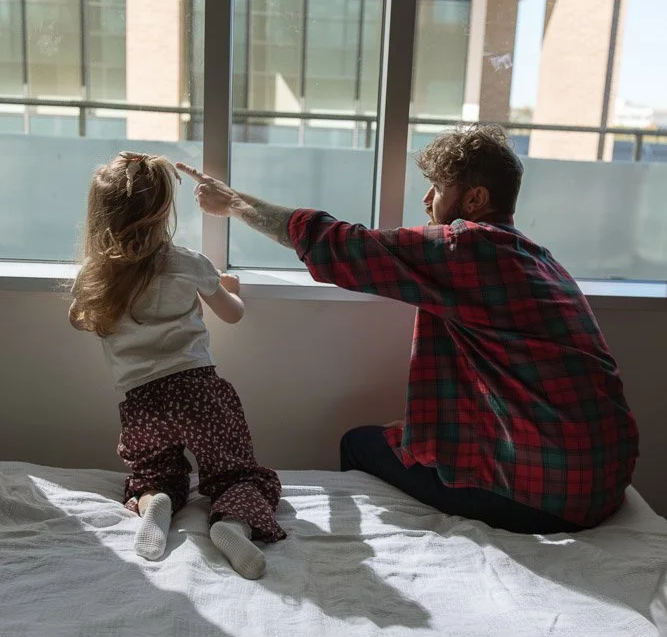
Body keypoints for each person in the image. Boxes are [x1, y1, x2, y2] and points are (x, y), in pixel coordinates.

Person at [176, 123, 639, 534]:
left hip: (545, 497)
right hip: (603, 482)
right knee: (400, 438)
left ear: (475, 199)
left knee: (358, 444)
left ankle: (395, 544)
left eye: (436, 186)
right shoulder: (537, 257)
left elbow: (339, 244)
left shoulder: (468, 247)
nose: (426, 199)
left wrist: (234, 203)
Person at [69, 151, 283, 576]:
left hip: (141, 402)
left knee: (154, 472)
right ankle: (233, 525)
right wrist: (226, 287)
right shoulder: (187, 263)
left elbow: (79, 318)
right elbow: (233, 313)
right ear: (164, 211)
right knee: (236, 472)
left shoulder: (96, 275)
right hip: (199, 391)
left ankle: (156, 503)